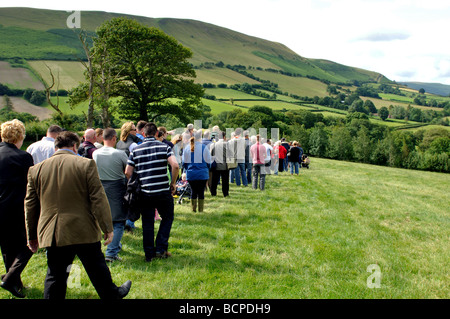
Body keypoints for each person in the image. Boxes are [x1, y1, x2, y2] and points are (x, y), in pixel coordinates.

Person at [25, 131, 131, 299]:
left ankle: (112, 293)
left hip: (53, 232)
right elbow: (98, 198)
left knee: (55, 275)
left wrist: (32, 235)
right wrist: (107, 228)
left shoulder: (36, 169)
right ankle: (113, 294)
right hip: (84, 228)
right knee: (97, 267)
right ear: (75, 146)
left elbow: (30, 205)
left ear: (56, 147)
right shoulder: (85, 165)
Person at [125, 123, 179, 262]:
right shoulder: (164, 147)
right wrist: (172, 183)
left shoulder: (136, 150)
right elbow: (175, 165)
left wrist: (138, 182)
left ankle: (149, 254)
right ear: (156, 133)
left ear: (143, 134)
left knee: (147, 223)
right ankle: (161, 248)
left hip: (145, 192)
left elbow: (127, 172)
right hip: (162, 190)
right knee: (167, 218)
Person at [0, 119, 34, 298]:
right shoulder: (23, 157)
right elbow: (32, 184)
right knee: (30, 244)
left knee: (6, 247)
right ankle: (10, 278)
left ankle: (15, 283)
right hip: (16, 207)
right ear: (20, 136)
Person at [93, 128, 128, 263]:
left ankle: (115, 245)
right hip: (117, 187)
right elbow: (128, 170)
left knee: (103, 218)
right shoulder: (120, 153)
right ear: (114, 138)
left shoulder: (95, 153)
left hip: (100, 187)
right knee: (118, 221)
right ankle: (111, 253)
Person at [183, 130, 211, 212]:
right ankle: (201, 210)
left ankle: (193, 209)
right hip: (202, 173)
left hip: (191, 173)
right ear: (200, 138)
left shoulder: (187, 148)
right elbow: (208, 161)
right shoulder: (204, 147)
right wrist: (206, 168)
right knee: (201, 192)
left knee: (193, 191)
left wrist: (188, 168)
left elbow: (184, 162)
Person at [210, 131, 230, 197]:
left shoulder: (213, 144)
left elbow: (211, 154)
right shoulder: (227, 144)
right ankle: (225, 193)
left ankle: (213, 192)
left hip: (216, 165)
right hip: (225, 165)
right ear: (224, 137)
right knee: (225, 180)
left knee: (214, 180)